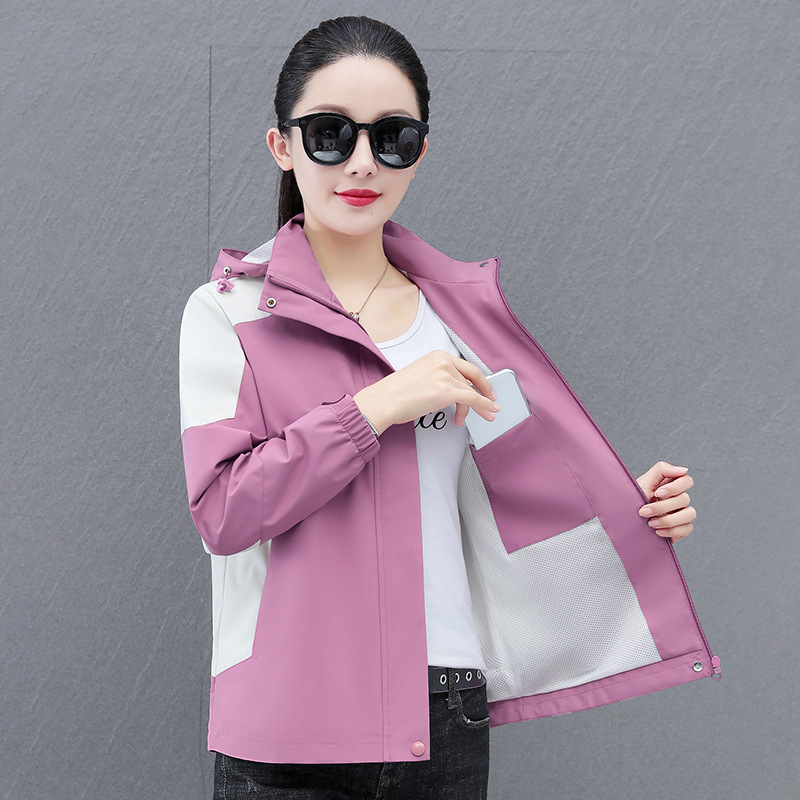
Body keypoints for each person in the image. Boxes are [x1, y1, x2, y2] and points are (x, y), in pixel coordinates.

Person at [179, 16, 713, 800]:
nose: (363, 161)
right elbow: (223, 513)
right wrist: (376, 407)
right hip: (291, 718)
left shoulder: (462, 318)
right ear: (282, 146)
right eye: (330, 134)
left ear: (419, 153)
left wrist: (630, 511)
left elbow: (509, 500)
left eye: (392, 137)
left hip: (442, 712)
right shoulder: (229, 312)